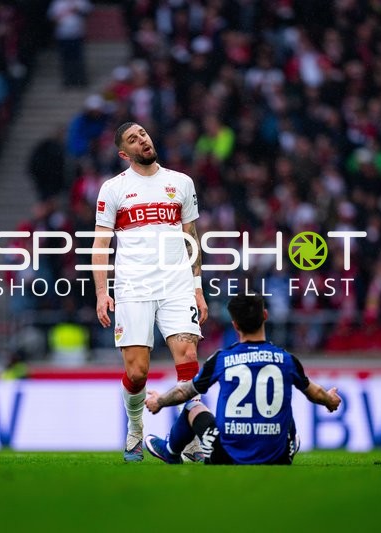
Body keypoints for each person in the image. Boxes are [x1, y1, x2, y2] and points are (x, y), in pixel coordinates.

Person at [92, 122, 209, 462]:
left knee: (187, 357)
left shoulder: (181, 183)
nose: (142, 139)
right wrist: (102, 292)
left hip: (176, 285)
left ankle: (188, 440)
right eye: (133, 139)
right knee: (137, 372)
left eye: (143, 133)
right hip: (133, 286)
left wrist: (198, 287)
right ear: (123, 153)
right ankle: (134, 427)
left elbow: (192, 239)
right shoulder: (114, 189)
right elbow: (100, 244)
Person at [143, 294, 342, 465]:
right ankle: (289, 443)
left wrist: (159, 402)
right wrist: (330, 399)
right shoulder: (287, 359)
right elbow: (315, 393)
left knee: (192, 406)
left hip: (226, 457)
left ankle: (170, 451)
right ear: (265, 316)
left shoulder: (222, 359)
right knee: (283, 405)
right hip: (279, 458)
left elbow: (183, 391)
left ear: (235, 325)